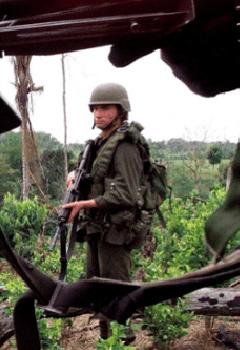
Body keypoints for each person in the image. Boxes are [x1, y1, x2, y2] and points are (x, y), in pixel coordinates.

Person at [62, 82, 152, 342]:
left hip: (116, 231)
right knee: (97, 289)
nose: (98, 114)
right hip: (97, 228)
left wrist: (84, 205)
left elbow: (126, 194)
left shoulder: (125, 146)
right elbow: (97, 179)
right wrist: (74, 176)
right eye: (95, 108)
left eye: (104, 108)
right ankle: (105, 343)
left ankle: (125, 342)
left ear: (121, 110)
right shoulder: (102, 143)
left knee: (117, 293)